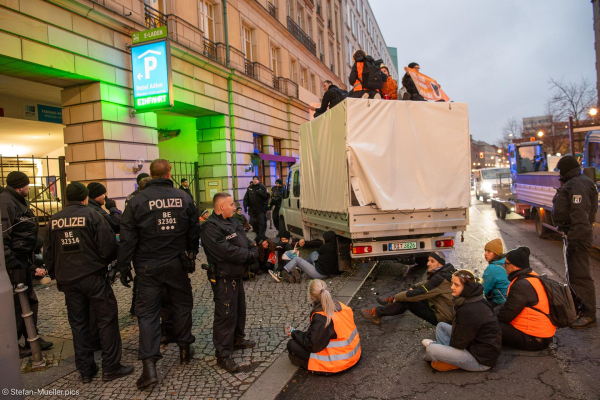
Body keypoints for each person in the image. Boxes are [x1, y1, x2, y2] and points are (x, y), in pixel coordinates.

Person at [116, 159, 199, 389]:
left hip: (147, 266)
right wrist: (191, 254)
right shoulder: (183, 197)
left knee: (148, 314)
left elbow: (127, 237)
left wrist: (124, 266)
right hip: (176, 262)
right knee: (182, 304)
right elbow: (194, 229)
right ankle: (184, 347)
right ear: (169, 171)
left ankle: (149, 367)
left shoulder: (137, 200)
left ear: (151, 174)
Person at [44, 182, 133, 383]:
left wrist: (55, 274)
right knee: (107, 320)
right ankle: (111, 367)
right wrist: (105, 264)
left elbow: (48, 252)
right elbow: (108, 246)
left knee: (78, 324)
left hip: (68, 279)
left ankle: (86, 370)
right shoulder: (93, 216)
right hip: (93, 276)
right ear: (85, 198)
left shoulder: (54, 220)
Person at [200, 192, 258, 372]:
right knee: (225, 315)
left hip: (236, 275)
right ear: (221, 207)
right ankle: (223, 354)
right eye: (231, 204)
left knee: (239, 310)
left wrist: (252, 250)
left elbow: (245, 241)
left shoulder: (233, 222)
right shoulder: (210, 227)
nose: (234, 207)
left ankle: (237, 339)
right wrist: (248, 256)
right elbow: (224, 250)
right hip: (224, 277)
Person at [0, 171, 53, 358]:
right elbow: (3, 238)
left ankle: (32, 337)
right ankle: (15, 345)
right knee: (18, 303)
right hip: (15, 262)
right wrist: (13, 264)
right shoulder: (6, 202)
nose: (29, 188)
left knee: (28, 301)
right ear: (20, 186)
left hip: (23, 260)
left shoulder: (16, 200)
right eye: (28, 185)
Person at [422, 269, 502, 372]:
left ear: (467, 288)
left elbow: (459, 343)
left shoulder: (469, 309)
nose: (452, 287)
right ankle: (446, 355)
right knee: (441, 326)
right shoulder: (475, 299)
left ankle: (440, 352)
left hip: (481, 360)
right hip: (474, 345)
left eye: (456, 285)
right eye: (452, 283)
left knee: (431, 350)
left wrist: (431, 354)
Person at [552, 155, 598, 328]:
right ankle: (580, 309)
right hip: (574, 234)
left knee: (580, 276)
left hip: (578, 236)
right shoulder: (575, 182)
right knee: (574, 275)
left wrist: (574, 239)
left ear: (566, 169)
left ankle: (588, 314)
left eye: (560, 170)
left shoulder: (578, 184)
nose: (559, 173)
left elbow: (580, 215)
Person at [359, 251, 454, 326]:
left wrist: (398, 297)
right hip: (444, 310)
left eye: (432, 261)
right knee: (409, 296)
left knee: (408, 300)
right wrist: (413, 287)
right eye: (428, 260)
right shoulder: (446, 272)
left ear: (440, 263)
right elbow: (427, 284)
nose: (428, 263)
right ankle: (383, 308)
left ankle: (378, 312)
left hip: (443, 319)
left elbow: (420, 293)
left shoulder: (440, 278)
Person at [286, 279, 361, 374]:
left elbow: (312, 345)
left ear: (310, 296)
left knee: (292, 344)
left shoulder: (322, 318)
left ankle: (310, 365)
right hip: (353, 355)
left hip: (336, 364)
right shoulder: (341, 306)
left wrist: (294, 333)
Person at [496, 246, 556, 351]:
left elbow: (506, 315)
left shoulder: (521, 285)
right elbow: (510, 306)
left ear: (516, 266)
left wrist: (491, 314)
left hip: (535, 340)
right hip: (544, 335)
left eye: (506, 263)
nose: (504, 265)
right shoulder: (532, 277)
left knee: (488, 324)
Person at [482, 238, 509, 307]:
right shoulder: (506, 262)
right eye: (485, 251)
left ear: (496, 253)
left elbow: (483, 289)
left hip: (501, 303)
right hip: (511, 300)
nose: (485, 254)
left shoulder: (492, 268)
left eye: (489, 251)